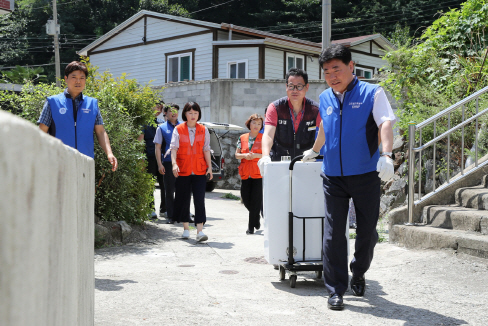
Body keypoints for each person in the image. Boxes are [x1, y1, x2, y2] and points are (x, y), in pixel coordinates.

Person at [302, 44, 395, 310]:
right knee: (332, 234)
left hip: (366, 174)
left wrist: (386, 155)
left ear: (351, 67)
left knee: (367, 232)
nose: (332, 75)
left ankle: (359, 269)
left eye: (337, 69)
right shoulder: (326, 97)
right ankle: (335, 290)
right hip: (333, 176)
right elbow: (324, 126)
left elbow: (385, 123)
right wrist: (315, 149)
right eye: (327, 71)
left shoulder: (372, 93)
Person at [38, 61, 117, 172]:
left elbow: (100, 132)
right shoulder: (53, 102)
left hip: (85, 163)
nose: (78, 81)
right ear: (66, 78)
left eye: (82, 78)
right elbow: (41, 132)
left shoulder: (92, 104)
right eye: (74, 77)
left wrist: (109, 153)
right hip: (59, 162)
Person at [258, 67, 321, 175]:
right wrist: (265, 156)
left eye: (299, 86)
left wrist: (315, 151)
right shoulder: (275, 107)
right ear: (286, 87)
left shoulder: (315, 109)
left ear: (307, 87)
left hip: (305, 161)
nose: (295, 90)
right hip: (278, 162)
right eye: (291, 86)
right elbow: (268, 134)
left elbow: (325, 132)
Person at [170, 102, 213, 242]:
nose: (193, 116)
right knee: (184, 199)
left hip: (200, 170)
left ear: (199, 114)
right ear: (185, 114)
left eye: (195, 113)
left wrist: (210, 168)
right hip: (183, 169)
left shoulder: (203, 129)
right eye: (190, 113)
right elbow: (174, 148)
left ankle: (200, 231)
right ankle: (186, 228)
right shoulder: (179, 129)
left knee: (199, 199)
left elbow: (206, 149)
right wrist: (174, 164)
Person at [235, 114, 264, 235]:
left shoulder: (264, 138)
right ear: (249, 124)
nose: (256, 126)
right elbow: (236, 155)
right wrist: (244, 156)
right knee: (246, 199)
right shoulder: (242, 137)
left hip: (258, 174)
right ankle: (256, 217)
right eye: (254, 123)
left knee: (256, 200)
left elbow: (267, 155)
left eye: (259, 124)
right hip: (246, 173)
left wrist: (256, 155)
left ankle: (251, 227)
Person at [137, 102, 166, 219]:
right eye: (157, 106)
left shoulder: (161, 123)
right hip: (149, 157)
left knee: (164, 184)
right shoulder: (143, 123)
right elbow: (140, 142)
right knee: (150, 185)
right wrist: (141, 159)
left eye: (161, 107)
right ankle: (150, 209)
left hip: (162, 158)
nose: (158, 109)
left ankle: (164, 209)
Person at [154, 103, 181, 224]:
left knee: (183, 190)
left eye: (176, 110)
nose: (173, 113)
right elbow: (158, 148)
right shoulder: (162, 128)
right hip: (169, 162)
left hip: (183, 163)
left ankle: (183, 214)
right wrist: (160, 164)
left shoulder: (184, 127)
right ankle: (171, 216)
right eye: (171, 111)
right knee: (169, 190)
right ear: (166, 113)